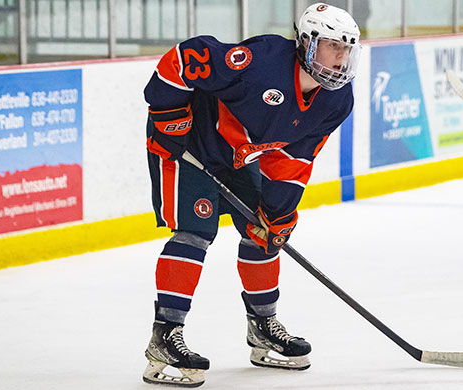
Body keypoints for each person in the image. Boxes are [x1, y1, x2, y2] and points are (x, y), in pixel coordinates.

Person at [142, 2, 361, 387]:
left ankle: (262, 326)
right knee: (196, 232)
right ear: (307, 44)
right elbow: (186, 57)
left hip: (239, 157)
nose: (341, 57)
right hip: (186, 144)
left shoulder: (336, 100)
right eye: (332, 46)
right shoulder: (260, 64)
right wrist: (167, 115)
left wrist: (280, 213)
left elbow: (294, 159)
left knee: (263, 232)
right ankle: (165, 336)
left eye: (346, 48)